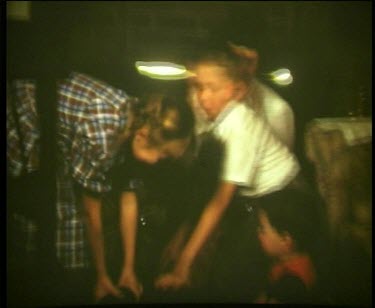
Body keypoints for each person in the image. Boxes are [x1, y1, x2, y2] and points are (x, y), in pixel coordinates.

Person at [154, 45, 302, 301]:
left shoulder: (239, 124)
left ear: (238, 91)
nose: (203, 98)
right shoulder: (219, 122)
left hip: (286, 201)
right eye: (199, 87)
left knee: (229, 277)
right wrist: (182, 237)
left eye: (212, 88)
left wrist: (183, 267)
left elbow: (221, 200)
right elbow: (206, 191)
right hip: (255, 200)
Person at [57, 72, 195, 303]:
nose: (157, 162)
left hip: (59, 148)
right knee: (70, 231)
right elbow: (90, 213)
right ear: (142, 136)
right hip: (21, 129)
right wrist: (100, 276)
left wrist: (128, 268)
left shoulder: (137, 120)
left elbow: (129, 198)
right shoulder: (104, 131)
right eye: (161, 155)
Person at [188, 42, 295, 149]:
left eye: (248, 59)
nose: (243, 63)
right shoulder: (201, 97)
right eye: (234, 56)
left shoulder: (277, 111)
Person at [254, 189, 318, 304]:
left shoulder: (291, 286)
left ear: (285, 240)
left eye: (262, 230)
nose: (258, 232)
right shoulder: (298, 258)